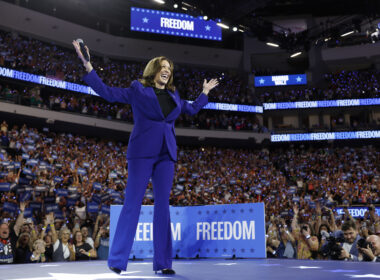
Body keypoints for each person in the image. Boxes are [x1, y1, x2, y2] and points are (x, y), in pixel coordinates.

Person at [72, 40, 218, 275]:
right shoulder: (138, 89)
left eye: (169, 68)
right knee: (132, 204)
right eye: (163, 67)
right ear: (154, 70)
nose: (167, 70)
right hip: (141, 152)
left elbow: (190, 109)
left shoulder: (174, 94)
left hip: (166, 154)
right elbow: (108, 93)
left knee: (163, 207)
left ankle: (163, 263)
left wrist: (204, 93)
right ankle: (117, 261)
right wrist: (88, 66)